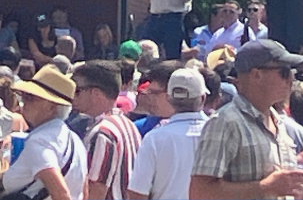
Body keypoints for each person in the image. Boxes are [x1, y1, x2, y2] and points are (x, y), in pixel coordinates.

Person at [189, 40, 303, 199]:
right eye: (284, 72)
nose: (291, 79)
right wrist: (266, 187)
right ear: (257, 75)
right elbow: (199, 193)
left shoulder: (279, 123)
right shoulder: (225, 122)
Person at [3, 66, 89, 200]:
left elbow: (61, 193)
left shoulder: (40, 141)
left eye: (30, 97)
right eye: (24, 96)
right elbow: (84, 193)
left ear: (51, 107)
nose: (23, 102)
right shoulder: (74, 139)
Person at [127, 68, 210, 199]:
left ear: (169, 99)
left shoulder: (155, 138)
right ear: (203, 98)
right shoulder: (219, 133)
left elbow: (137, 193)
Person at [71, 60, 143, 200]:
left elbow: (95, 189)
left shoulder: (103, 132)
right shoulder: (128, 124)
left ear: (96, 93)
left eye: (77, 90)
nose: (72, 96)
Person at [133, 61, 184, 137]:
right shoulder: (138, 130)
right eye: (148, 91)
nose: (149, 97)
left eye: (154, 93)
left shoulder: (202, 131)